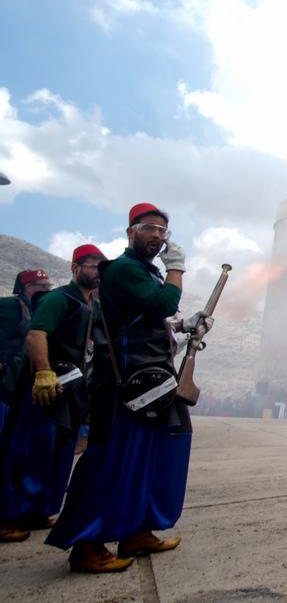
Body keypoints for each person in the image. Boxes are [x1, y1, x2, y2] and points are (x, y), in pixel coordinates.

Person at [48, 203, 202, 573]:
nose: (158, 236)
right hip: (127, 385)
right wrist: (177, 268)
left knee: (154, 457)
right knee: (116, 460)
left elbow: (147, 322)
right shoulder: (122, 270)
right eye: (149, 228)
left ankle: (136, 530)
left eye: (163, 232)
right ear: (131, 231)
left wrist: (183, 328)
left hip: (151, 379)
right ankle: (88, 544)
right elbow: (164, 301)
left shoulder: (143, 273)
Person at [1, 252, 100, 543]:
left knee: (58, 454)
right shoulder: (58, 300)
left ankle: (37, 511)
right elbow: (36, 336)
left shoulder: (93, 305)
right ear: (76, 268)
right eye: (93, 267)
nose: (98, 273)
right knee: (27, 453)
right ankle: (6, 515)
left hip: (72, 391)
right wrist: (43, 372)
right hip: (45, 387)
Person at [0, 269, 52, 543]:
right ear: (26, 286)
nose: (45, 289)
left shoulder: (40, 311)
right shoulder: (9, 307)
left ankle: (26, 511)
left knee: (22, 454)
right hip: (4, 387)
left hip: (21, 390)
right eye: (40, 285)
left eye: (47, 284)